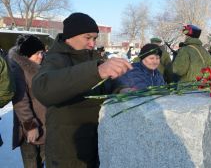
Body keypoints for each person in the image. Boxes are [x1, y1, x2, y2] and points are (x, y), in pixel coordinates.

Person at [32, 12, 132, 168]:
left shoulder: (92, 57)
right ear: (70, 36)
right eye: (88, 37)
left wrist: (122, 89)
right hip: (68, 154)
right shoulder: (55, 58)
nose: (92, 44)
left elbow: (110, 83)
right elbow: (43, 88)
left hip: (95, 146)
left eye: (94, 38)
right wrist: (97, 71)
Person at [7, 35, 46, 168]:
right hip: (29, 130)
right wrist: (31, 126)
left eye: (42, 52)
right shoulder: (18, 68)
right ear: (27, 54)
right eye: (37, 53)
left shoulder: (41, 66)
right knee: (32, 164)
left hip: (46, 127)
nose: (41, 56)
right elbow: (20, 101)